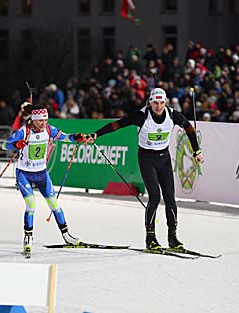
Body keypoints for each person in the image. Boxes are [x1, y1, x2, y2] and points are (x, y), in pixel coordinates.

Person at [85, 88, 204, 250]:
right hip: (147, 159)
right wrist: (96, 135)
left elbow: (189, 128)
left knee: (170, 197)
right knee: (155, 196)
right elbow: (117, 124)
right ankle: (150, 237)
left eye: (162, 103)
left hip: (164, 159)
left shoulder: (172, 114)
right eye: (155, 103)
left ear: (166, 102)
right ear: (150, 102)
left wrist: (197, 151)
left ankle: (172, 236)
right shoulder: (142, 116)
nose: (159, 106)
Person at [2, 104, 85, 254]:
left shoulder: (49, 130)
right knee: (31, 204)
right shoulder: (23, 131)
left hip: (42, 174)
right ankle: (28, 238)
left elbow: (66, 137)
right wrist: (16, 144)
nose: (43, 123)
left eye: (45, 120)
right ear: (33, 119)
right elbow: (4, 145)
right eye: (40, 120)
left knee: (54, 204)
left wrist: (76, 137)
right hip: (24, 174)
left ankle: (66, 235)